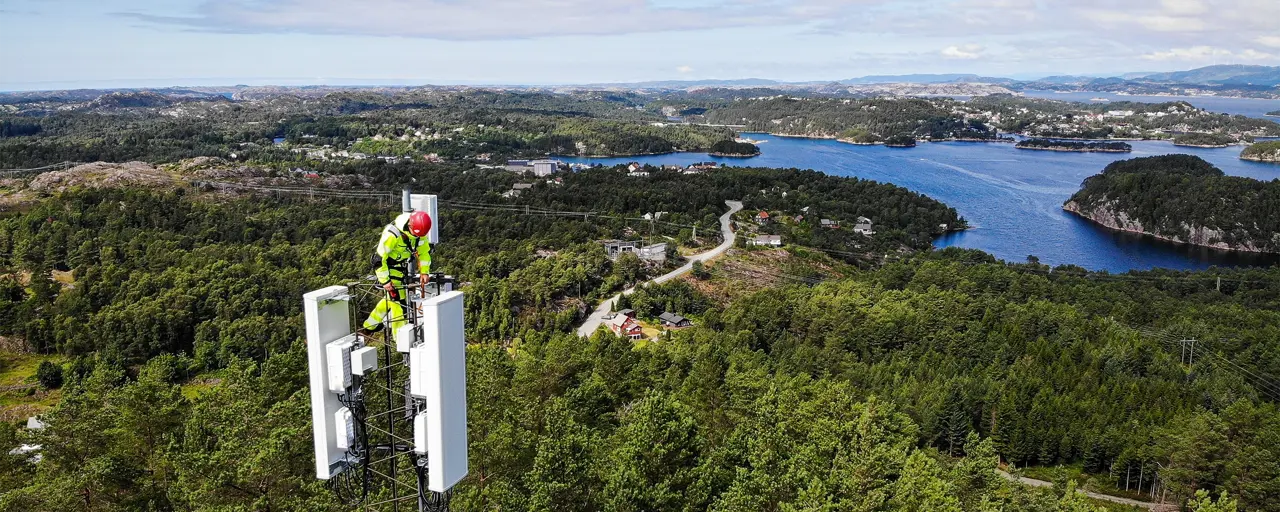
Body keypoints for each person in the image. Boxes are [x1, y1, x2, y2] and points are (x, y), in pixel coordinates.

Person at [360, 210, 432, 335]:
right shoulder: (392, 234)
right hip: (388, 268)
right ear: (410, 225)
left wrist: (424, 272)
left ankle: (370, 324)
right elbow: (379, 259)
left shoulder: (420, 234)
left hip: (400, 269)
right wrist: (385, 281)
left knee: (391, 298)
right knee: (399, 302)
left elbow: (424, 252)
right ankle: (399, 337)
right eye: (414, 234)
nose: (416, 237)